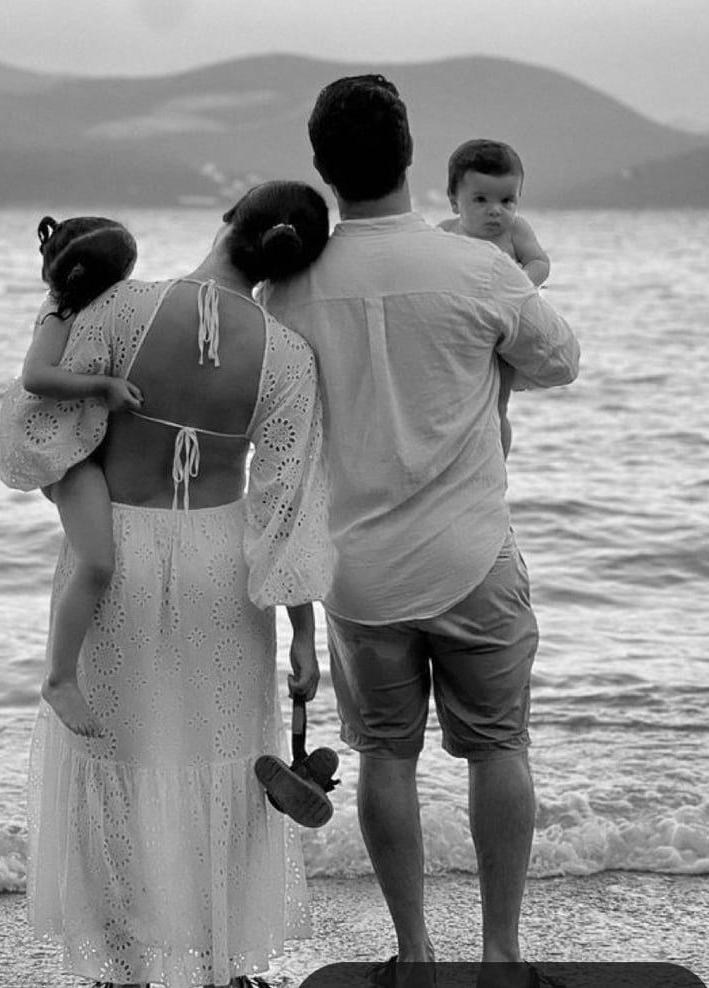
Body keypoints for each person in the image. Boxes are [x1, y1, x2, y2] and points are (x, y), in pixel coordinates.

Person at [264, 77, 580, 988]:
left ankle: (414, 953)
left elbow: (269, 423)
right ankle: (501, 957)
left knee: (385, 762)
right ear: (411, 161)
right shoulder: (480, 268)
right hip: (472, 554)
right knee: (501, 749)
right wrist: (516, 260)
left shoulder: (291, 287)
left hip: (357, 574)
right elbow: (560, 361)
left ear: (325, 171)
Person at [0, 180, 334, 988]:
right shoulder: (287, 357)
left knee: (110, 758)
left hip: (118, 549)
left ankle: (122, 965)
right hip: (225, 563)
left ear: (227, 221)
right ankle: (219, 962)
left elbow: (29, 434)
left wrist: (67, 481)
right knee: (222, 758)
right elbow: (286, 510)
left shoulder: (117, 309)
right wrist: (306, 634)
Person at [0, 214, 143, 738]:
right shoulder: (59, 311)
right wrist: (104, 385)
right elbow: (37, 376)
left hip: (72, 438)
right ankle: (59, 679)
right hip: (53, 445)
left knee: (96, 557)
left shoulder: (86, 306)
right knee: (98, 562)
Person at [439, 139, 551, 457]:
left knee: (497, 404)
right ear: (453, 200)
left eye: (507, 201)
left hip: (503, 331)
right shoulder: (445, 233)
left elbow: (540, 263)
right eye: (480, 200)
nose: (495, 211)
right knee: (455, 398)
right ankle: (457, 453)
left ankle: (497, 463)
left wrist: (520, 284)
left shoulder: (515, 231)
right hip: (460, 329)